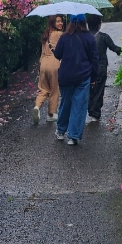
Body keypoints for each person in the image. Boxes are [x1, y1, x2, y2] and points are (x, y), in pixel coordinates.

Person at [52, 13, 98, 145]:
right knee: (79, 105)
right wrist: (94, 77)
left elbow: (57, 54)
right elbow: (94, 59)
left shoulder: (64, 37)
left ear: (70, 23)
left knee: (65, 103)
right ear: (84, 22)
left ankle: (60, 132)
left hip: (66, 76)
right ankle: (73, 136)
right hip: (83, 77)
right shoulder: (89, 38)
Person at [86, 14, 121, 122]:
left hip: (86, 67)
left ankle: (89, 109)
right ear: (99, 24)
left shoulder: (83, 36)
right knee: (99, 90)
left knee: (87, 89)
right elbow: (115, 48)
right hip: (100, 67)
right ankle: (95, 113)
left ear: (88, 24)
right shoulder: (104, 36)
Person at [33, 15, 64, 125]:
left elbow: (42, 53)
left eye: (61, 21)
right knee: (54, 90)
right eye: (58, 22)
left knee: (43, 89)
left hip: (43, 64)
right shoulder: (60, 34)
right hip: (54, 63)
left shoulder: (45, 35)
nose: (61, 23)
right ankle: (51, 114)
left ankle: (37, 106)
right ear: (53, 23)